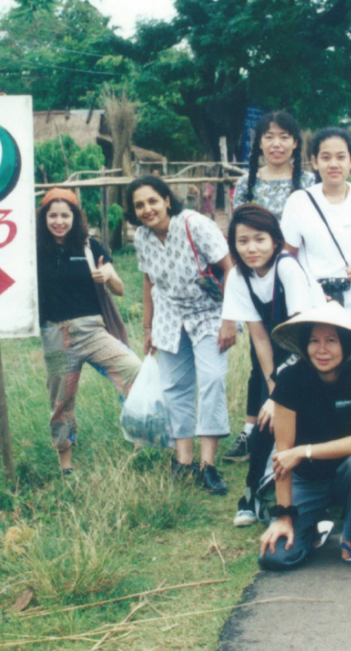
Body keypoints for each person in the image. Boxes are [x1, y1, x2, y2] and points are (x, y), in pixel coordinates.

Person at [280, 127, 351, 469]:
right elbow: (288, 254)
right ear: (314, 161)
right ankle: (319, 472)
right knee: (318, 384)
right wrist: (310, 291)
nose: (333, 164)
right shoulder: (300, 200)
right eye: (325, 157)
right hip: (317, 306)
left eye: (341, 157)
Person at [257, 302, 351, 570]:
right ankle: (312, 524)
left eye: (331, 340)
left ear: (347, 344)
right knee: (276, 556)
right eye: (314, 341)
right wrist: (284, 516)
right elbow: (283, 454)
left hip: (349, 477)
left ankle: (350, 536)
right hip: (306, 480)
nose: (322, 350)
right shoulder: (291, 379)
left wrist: (303, 451)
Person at [126, 174, 235, 494]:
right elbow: (148, 282)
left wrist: (229, 320)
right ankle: (183, 460)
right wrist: (147, 328)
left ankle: (208, 464)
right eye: (139, 205)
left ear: (166, 200)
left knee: (213, 379)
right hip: (169, 317)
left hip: (209, 313)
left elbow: (229, 268)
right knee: (174, 388)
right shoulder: (142, 238)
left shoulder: (195, 224)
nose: (147, 209)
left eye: (152, 201)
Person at [220, 204, 325, 525]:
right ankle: (250, 495)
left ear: (275, 240)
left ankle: (322, 497)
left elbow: (301, 333)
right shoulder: (238, 277)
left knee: (298, 419)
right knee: (267, 418)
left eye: (260, 239)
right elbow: (259, 339)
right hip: (276, 354)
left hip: (312, 349)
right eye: (243, 241)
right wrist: (273, 390)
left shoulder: (288, 268)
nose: (251, 248)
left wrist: (281, 396)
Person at [34, 188, 141, 475]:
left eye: (65, 215)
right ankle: (66, 464)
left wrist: (109, 276)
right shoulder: (32, 251)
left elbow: (119, 288)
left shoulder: (89, 246)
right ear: (43, 218)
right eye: (52, 215)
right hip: (55, 336)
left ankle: (139, 439)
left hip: (92, 331)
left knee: (134, 370)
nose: (59, 221)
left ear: (75, 217)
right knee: (60, 400)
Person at [233, 110, 314, 216]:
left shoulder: (309, 182)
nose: (276, 144)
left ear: (295, 143)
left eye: (284, 137)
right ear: (260, 143)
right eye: (269, 137)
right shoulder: (245, 183)